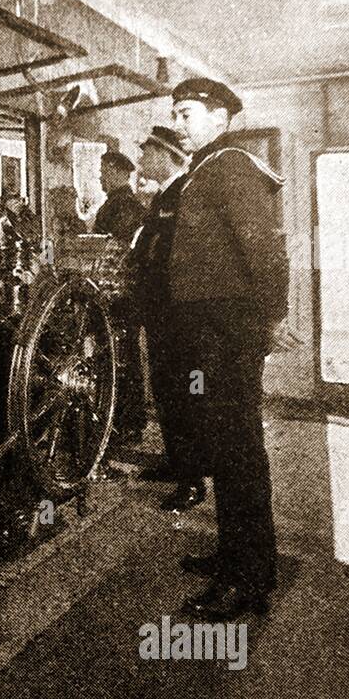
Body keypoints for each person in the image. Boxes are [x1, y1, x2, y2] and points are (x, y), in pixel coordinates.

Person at [167, 77, 296, 620]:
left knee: (238, 452)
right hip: (209, 327)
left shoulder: (233, 167)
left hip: (228, 328)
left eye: (189, 113)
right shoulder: (207, 169)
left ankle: (248, 580)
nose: (179, 123)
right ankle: (233, 556)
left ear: (221, 117)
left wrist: (270, 318)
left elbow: (264, 251)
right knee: (225, 447)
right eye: (175, 113)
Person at [127, 125, 204, 510]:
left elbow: (174, 256)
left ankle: (192, 481)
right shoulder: (163, 197)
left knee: (184, 395)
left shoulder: (183, 193)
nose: (141, 160)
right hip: (161, 313)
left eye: (146, 153)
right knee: (167, 393)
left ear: (164, 155)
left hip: (178, 316)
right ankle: (177, 463)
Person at [92, 149, 149, 443]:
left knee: (120, 358)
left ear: (116, 172)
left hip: (119, 295)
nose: (100, 177)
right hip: (123, 295)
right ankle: (122, 421)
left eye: (103, 171)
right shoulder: (118, 204)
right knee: (120, 356)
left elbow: (113, 254)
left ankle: (126, 423)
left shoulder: (123, 206)